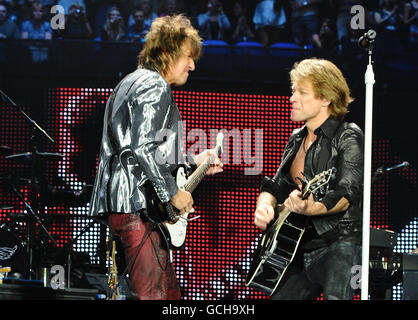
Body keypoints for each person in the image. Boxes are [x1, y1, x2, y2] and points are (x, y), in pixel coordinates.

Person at [89, 14, 223, 300]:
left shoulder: (130, 81)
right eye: (188, 57)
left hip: (129, 204)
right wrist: (173, 193)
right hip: (137, 206)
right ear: (165, 52)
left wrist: (190, 162)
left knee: (169, 295)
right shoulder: (155, 85)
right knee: (151, 296)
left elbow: (141, 147)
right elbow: (143, 147)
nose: (192, 65)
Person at [253, 58, 364, 300]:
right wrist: (264, 206)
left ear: (326, 98)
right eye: (293, 91)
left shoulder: (348, 136)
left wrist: (312, 207)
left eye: (302, 92)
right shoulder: (296, 137)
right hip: (297, 249)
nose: (292, 98)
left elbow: (347, 192)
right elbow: (276, 185)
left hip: (339, 244)